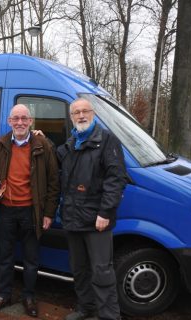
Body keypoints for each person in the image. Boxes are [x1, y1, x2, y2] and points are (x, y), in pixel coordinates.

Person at [0, 104, 60, 318]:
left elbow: (54, 182)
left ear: (30, 121)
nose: (19, 122)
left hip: (31, 211)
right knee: (5, 257)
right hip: (5, 210)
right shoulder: (0, 144)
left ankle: (28, 297)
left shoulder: (43, 145)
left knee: (31, 259)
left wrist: (48, 213)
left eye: (24, 118)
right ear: (9, 121)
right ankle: (4, 295)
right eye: (15, 118)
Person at [57, 98, 127, 320]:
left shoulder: (107, 141)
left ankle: (109, 315)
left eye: (84, 111)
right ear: (71, 117)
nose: (80, 116)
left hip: (97, 220)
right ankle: (85, 308)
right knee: (79, 269)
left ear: (93, 113)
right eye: (76, 112)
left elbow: (116, 180)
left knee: (102, 271)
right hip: (72, 217)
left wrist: (105, 213)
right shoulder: (71, 144)